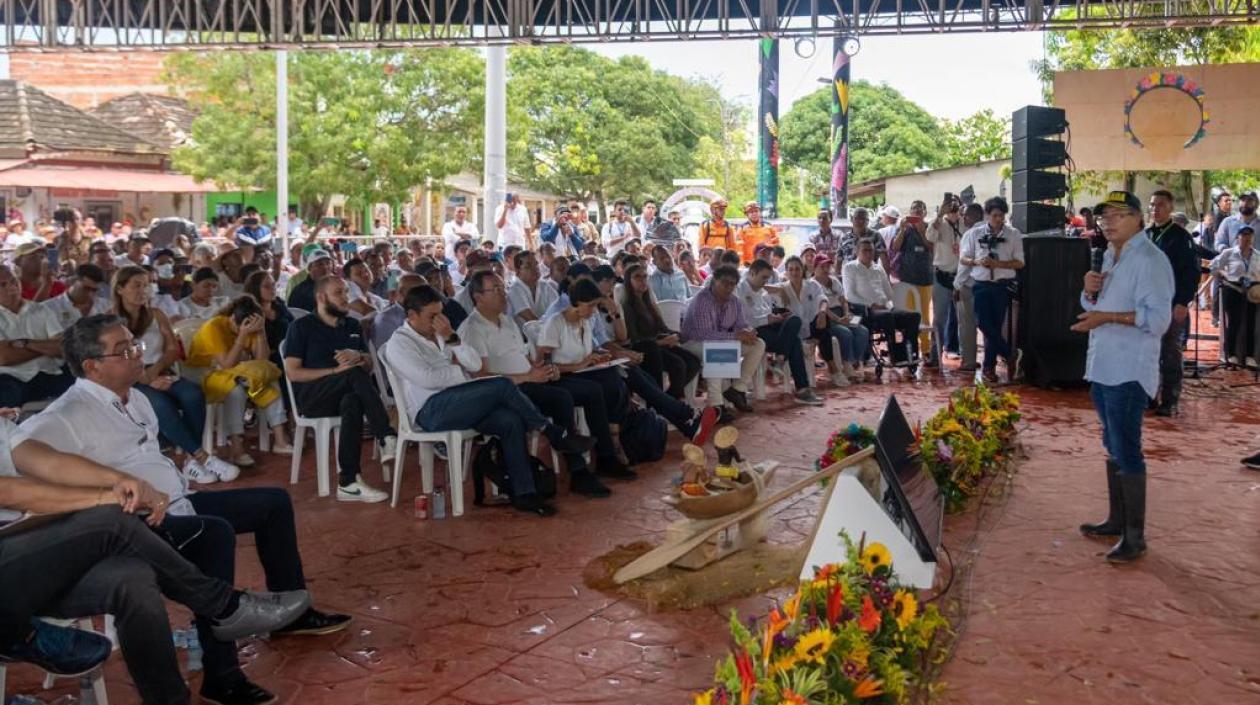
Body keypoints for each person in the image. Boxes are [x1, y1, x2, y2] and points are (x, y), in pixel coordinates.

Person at [21, 314, 347, 705]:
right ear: (92, 366)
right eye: (124, 350)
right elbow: (24, 453)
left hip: (178, 502)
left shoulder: (136, 396)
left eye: (134, 345)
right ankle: (222, 674)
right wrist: (109, 487)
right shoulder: (68, 414)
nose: (137, 355)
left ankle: (292, 615)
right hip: (137, 524)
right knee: (214, 534)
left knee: (272, 503)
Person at [0, 421, 313, 704]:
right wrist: (104, 497)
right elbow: (7, 491)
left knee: (133, 579)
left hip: (25, 558)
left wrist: (120, 480)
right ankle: (223, 606)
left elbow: (50, 462)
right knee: (110, 519)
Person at [385, 285, 596, 516]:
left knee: (510, 420)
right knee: (502, 385)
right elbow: (428, 380)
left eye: (441, 314)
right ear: (412, 316)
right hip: (430, 411)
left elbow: (475, 365)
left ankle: (524, 493)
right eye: (432, 316)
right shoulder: (400, 343)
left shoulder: (441, 333)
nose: (439, 321)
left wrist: (452, 338)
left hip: (461, 401)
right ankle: (550, 431)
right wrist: (461, 373)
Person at [1072, 191, 1174, 564]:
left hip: (1129, 369)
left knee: (1127, 447)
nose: (1108, 222)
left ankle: (1136, 537)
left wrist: (1107, 318)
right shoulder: (1111, 257)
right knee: (1112, 440)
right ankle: (1117, 520)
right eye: (1103, 217)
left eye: (1118, 215)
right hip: (1102, 366)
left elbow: (1159, 321)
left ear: (1138, 219)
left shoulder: (1150, 260)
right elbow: (1095, 305)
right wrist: (1089, 291)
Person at [456, 271, 612, 498]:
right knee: (561, 398)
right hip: (505, 392)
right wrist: (527, 377)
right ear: (478, 297)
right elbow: (482, 377)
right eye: (496, 290)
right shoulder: (472, 329)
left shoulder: (507, 320)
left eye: (503, 288)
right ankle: (577, 468)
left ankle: (602, 458)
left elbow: (523, 357)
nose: (503, 295)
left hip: (528, 380)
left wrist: (539, 369)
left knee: (587, 389)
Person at [112, 265, 239, 484]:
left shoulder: (156, 314)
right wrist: (145, 377)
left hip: (160, 369)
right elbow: (115, 356)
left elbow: (172, 349)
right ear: (120, 289)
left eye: (146, 285)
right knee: (160, 404)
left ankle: (191, 462)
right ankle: (203, 457)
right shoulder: (110, 320)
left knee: (192, 394)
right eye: (136, 285)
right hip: (130, 378)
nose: (143, 290)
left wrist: (155, 371)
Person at [283, 277, 398, 503]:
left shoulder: (353, 326)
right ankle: (385, 435)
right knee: (351, 374)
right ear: (321, 298)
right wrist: (336, 372)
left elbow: (369, 366)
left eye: (346, 292)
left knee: (353, 400)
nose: (346, 298)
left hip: (344, 393)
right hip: (312, 397)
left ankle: (349, 482)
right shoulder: (301, 327)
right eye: (339, 293)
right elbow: (293, 373)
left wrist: (360, 357)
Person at [187, 296, 293, 466]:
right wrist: (242, 335)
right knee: (234, 390)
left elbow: (261, 361)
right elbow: (227, 363)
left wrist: (260, 332)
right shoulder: (214, 327)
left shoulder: (252, 326)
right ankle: (236, 447)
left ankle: (280, 440)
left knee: (268, 380)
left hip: (234, 371)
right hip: (203, 374)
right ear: (232, 319)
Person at [681, 265, 766, 415]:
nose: (728, 287)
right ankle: (716, 405)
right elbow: (704, 334)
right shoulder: (702, 300)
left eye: (732, 284)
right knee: (720, 348)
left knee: (758, 344)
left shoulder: (734, 302)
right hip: (692, 343)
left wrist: (749, 331)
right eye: (724, 282)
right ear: (714, 281)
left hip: (719, 342)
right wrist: (735, 336)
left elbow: (741, 324)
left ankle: (737, 389)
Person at [737, 260, 825, 403]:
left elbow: (767, 311)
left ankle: (781, 358)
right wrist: (768, 319)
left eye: (767, 278)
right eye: (763, 278)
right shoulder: (739, 290)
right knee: (795, 341)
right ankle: (801, 388)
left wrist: (776, 317)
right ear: (752, 273)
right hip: (752, 331)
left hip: (768, 327)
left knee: (794, 319)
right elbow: (744, 320)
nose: (765, 282)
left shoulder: (761, 291)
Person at [1145, 190, 1200, 416]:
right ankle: (1148, 396)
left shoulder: (1180, 237)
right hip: (1146, 303)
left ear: (1170, 208)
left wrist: (1183, 302)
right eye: (1152, 205)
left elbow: (1191, 272)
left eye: (1160, 205)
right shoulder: (1145, 235)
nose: (1155, 209)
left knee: (1169, 351)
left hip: (1170, 303)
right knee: (1147, 351)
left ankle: (1170, 400)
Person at [957, 197, 1024, 384]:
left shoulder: (1013, 234)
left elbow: (1020, 262)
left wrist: (998, 263)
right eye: (994, 216)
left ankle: (989, 368)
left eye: (1001, 216)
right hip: (981, 284)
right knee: (983, 324)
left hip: (1002, 285)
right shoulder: (974, 234)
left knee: (993, 328)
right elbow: (963, 258)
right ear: (987, 215)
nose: (998, 220)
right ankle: (1010, 354)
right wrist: (976, 262)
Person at [621, 263, 701, 400]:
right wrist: (662, 341)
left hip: (660, 344)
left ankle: (669, 398)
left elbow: (662, 328)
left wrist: (675, 335)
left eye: (645, 276)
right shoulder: (628, 306)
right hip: (646, 349)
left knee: (693, 362)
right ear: (629, 281)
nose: (642, 280)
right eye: (637, 277)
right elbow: (634, 339)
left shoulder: (648, 302)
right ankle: (667, 400)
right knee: (678, 365)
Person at [0, 264, 73, 408]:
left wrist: (24, 343)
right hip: (10, 379)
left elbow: (62, 347)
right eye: (2, 284)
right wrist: (45, 346)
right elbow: (4, 356)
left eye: (14, 281)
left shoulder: (41, 309)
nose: (12, 286)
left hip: (50, 373)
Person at [779, 256, 855, 390]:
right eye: (791, 270)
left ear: (802, 270)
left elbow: (823, 300)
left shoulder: (812, 285)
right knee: (807, 327)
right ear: (786, 272)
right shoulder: (782, 288)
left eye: (797, 269)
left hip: (813, 326)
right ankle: (833, 368)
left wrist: (822, 312)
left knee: (823, 321)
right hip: (795, 332)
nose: (794, 272)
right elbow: (762, 288)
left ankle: (833, 368)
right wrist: (779, 290)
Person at [842, 240, 921, 366]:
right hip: (865, 311)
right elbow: (850, 295)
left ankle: (908, 352)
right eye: (865, 250)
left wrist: (887, 305)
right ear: (857, 252)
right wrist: (871, 304)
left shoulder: (878, 268)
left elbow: (889, 294)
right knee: (887, 316)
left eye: (871, 251)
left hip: (885, 308)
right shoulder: (850, 268)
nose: (868, 254)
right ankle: (895, 355)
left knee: (914, 316)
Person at [811, 256, 868, 380]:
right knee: (845, 333)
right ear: (815, 268)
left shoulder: (834, 281)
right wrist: (838, 319)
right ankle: (847, 364)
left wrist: (846, 314)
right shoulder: (812, 285)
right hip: (827, 317)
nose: (826, 270)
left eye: (828, 267)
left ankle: (854, 361)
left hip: (841, 313)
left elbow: (844, 301)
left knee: (863, 331)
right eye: (822, 267)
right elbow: (822, 307)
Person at [1209, 225, 1259, 366]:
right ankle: (1230, 354)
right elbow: (1214, 266)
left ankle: (1249, 356)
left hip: (1251, 291)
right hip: (1233, 289)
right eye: (1243, 236)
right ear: (1238, 238)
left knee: (1251, 324)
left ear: (1253, 238)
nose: (1246, 239)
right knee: (1233, 323)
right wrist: (1225, 275)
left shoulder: (1257, 255)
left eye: (1249, 236)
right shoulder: (1229, 253)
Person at [926, 195, 964, 366]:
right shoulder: (939, 223)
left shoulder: (965, 223)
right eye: (950, 204)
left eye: (956, 204)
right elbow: (930, 237)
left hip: (961, 276)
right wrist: (940, 214)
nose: (953, 207)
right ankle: (935, 354)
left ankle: (965, 354)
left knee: (964, 318)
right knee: (939, 318)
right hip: (941, 275)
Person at [951, 203, 985, 372]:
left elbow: (964, 265)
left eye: (965, 215)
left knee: (967, 325)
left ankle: (969, 361)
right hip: (988, 285)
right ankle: (990, 364)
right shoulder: (995, 230)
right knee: (987, 325)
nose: (963, 218)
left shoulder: (970, 234)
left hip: (969, 285)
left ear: (973, 216)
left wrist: (957, 286)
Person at [244, 269, 294, 371]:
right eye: (267, 286)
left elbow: (294, 325)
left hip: (293, 351)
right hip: (271, 360)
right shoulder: (251, 315)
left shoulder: (279, 305)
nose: (273, 289)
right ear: (255, 289)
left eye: (273, 285)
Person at [39, 263, 111, 333]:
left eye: (94, 290)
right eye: (86, 288)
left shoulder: (107, 306)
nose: (90, 294)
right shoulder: (49, 308)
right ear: (73, 281)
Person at [507, 249, 559, 328]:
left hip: (549, 332)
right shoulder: (514, 289)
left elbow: (559, 309)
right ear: (518, 271)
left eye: (536, 264)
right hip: (525, 338)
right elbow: (529, 318)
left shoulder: (545, 285)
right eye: (528, 266)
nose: (535, 268)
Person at [286, 244, 334, 313]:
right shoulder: (300, 291)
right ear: (309, 268)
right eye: (320, 264)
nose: (325, 267)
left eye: (328, 263)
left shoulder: (336, 285)